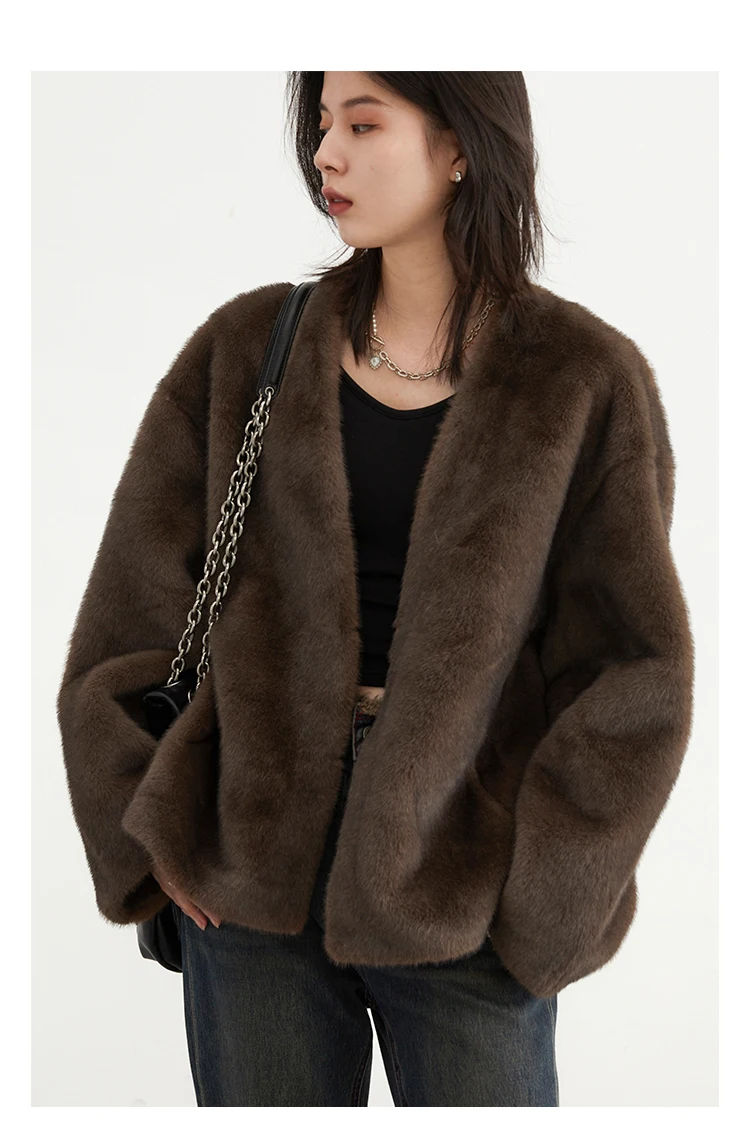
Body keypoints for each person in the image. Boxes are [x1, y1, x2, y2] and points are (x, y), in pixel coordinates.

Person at [56, 72, 695, 1107]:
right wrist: (149, 826)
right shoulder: (247, 351)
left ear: (462, 144)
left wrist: (542, 898)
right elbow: (130, 615)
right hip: (248, 872)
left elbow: (632, 669)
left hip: (463, 875)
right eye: (320, 125)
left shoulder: (580, 378)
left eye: (363, 122)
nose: (326, 154)